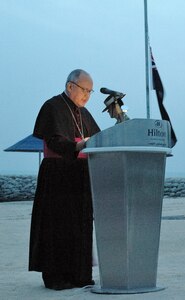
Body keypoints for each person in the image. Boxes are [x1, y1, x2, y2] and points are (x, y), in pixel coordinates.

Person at [29, 69, 101, 290]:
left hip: (81, 174)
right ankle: (57, 276)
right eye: (84, 90)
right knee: (58, 226)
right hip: (58, 174)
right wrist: (78, 145)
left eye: (90, 91)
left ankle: (80, 274)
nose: (87, 95)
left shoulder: (85, 113)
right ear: (70, 86)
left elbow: (99, 138)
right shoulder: (52, 107)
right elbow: (55, 142)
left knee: (81, 224)